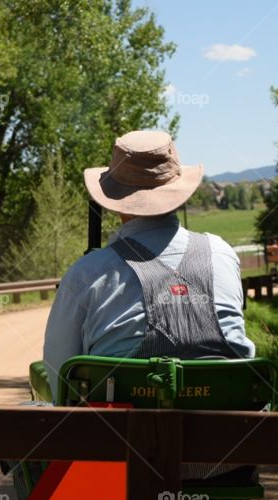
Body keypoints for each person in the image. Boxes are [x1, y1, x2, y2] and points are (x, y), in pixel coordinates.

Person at [42, 130, 255, 401]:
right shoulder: (222, 254)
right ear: (179, 192)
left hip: (114, 438)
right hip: (230, 435)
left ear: (115, 200)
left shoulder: (87, 273)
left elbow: (59, 376)